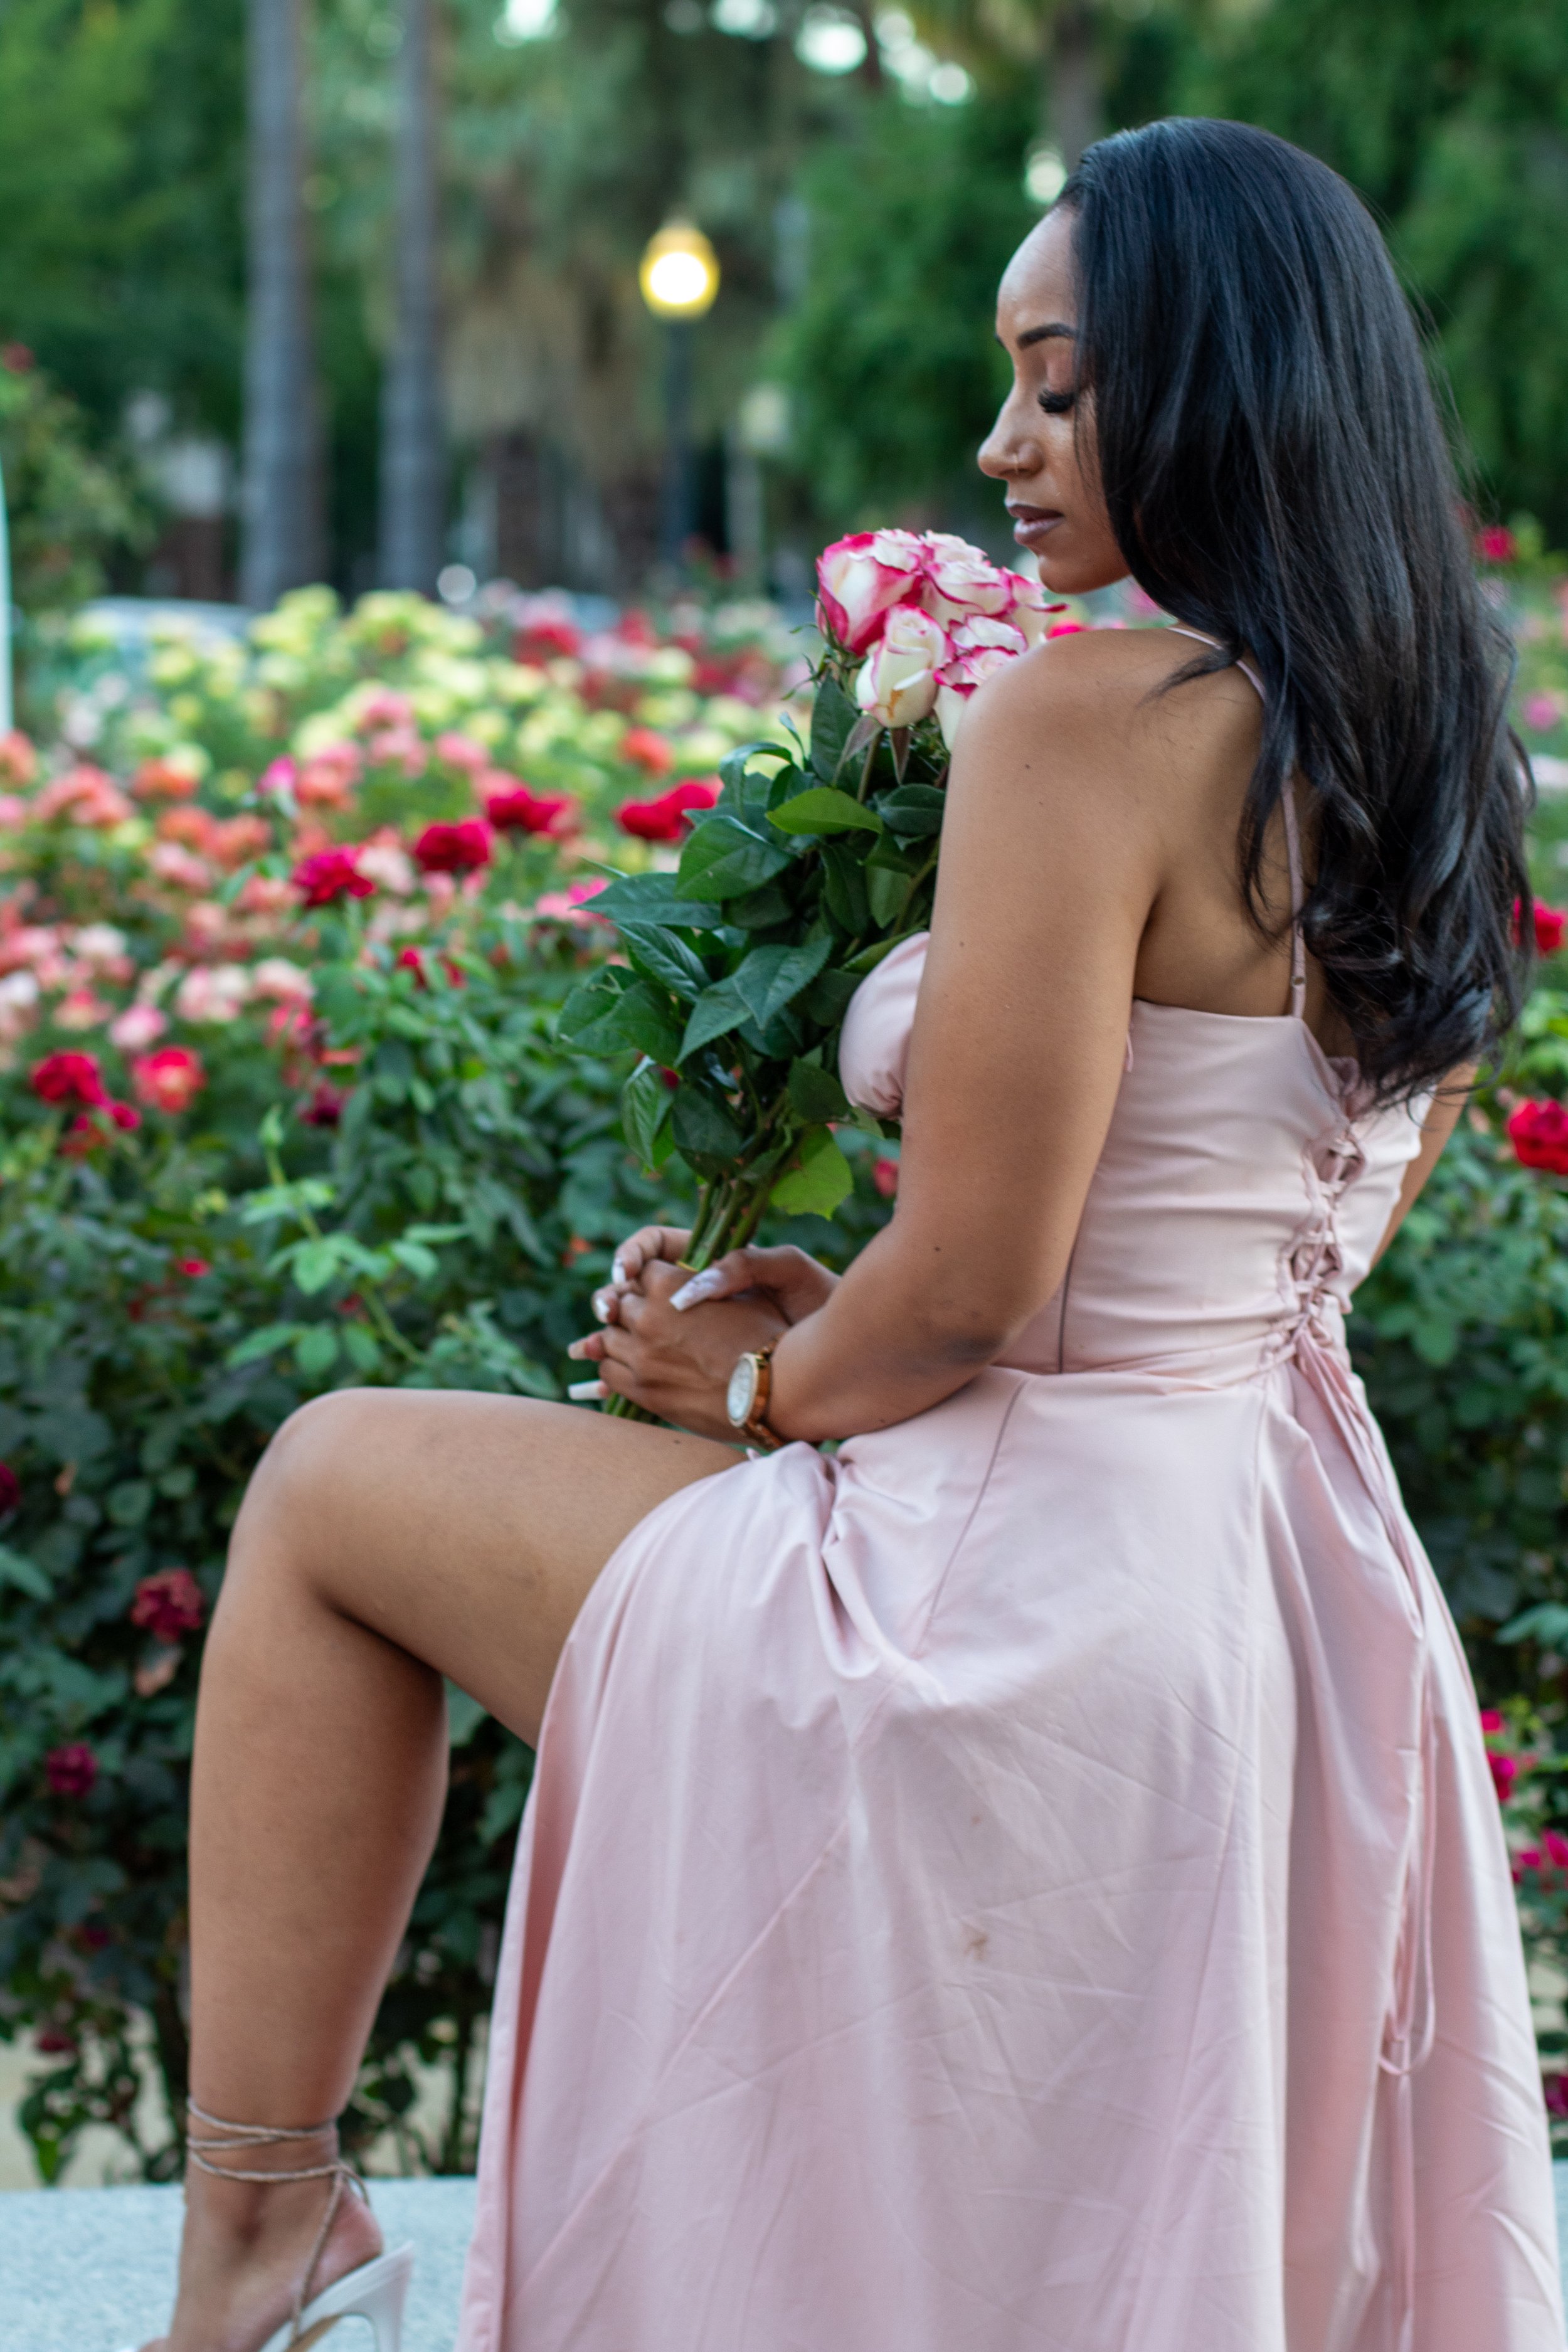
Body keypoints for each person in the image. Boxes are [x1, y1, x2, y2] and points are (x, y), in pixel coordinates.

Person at [139, 117, 1562, 2352]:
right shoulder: (1426, 748)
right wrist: (857, 1324)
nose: (1001, 441)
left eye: (1062, 384)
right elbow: (1194, 1247)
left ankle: (255, 2240)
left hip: (1014, 1614)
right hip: (1275, 1593)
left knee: (330, 1484)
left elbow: (986, 1282)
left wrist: (766, 1379)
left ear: (1221, 384)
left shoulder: (1084, 719)